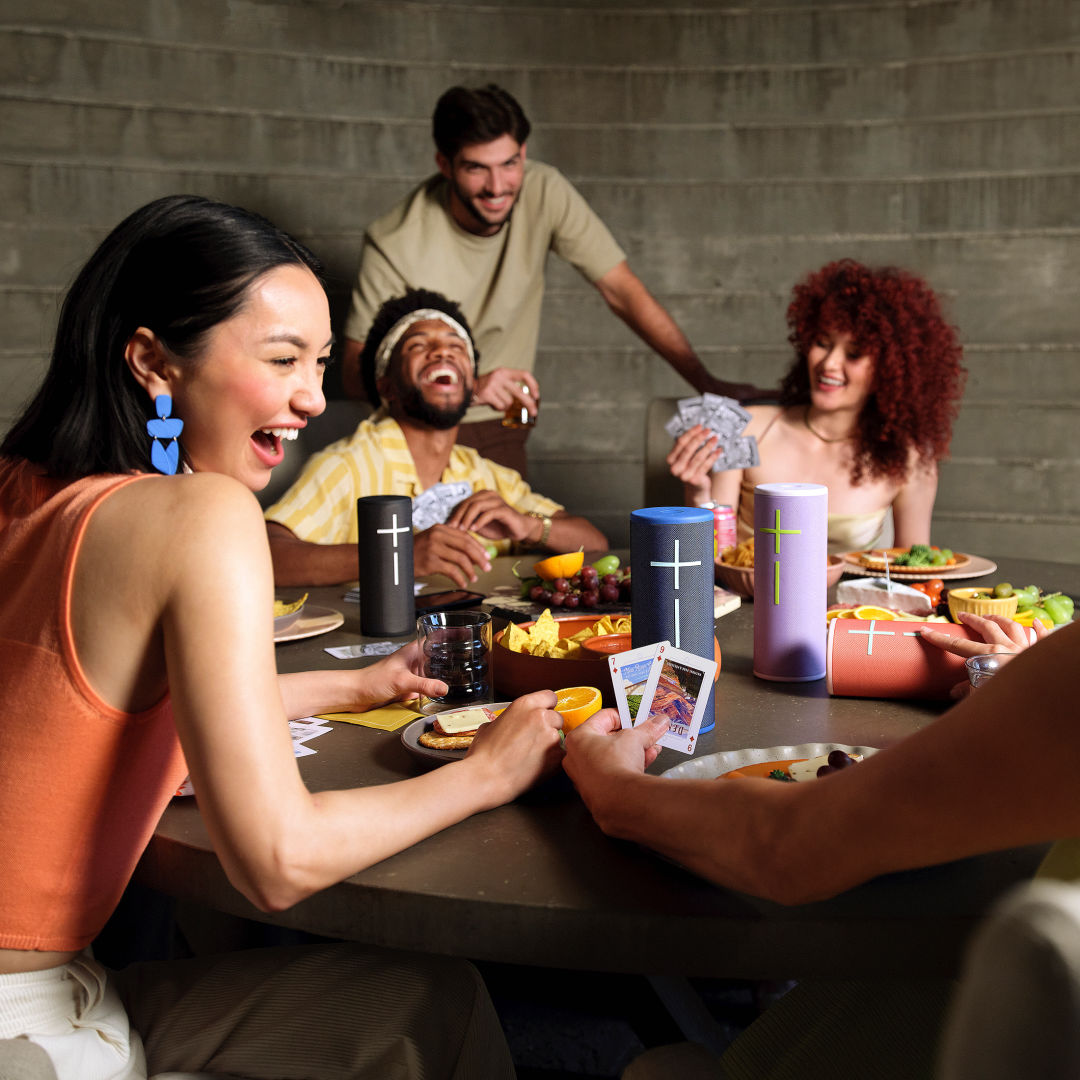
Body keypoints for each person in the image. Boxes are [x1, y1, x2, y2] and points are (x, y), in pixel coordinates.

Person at [0, 194, 566, 1079]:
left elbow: (81, 710)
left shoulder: (22, 484)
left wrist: (356, 685)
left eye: (321, 361)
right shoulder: (202, 513)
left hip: (65, 983)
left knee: (432, 1004)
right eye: (281, 359)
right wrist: (487, 773)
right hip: (29, 1025)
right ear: (153, 361)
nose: (312, 397)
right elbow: (278, 860)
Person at [339, 83, 767, 475]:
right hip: (414, 426)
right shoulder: (394, 240)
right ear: (444, 165)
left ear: (523, 153)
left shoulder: (544, 191)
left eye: (509, 164)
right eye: (476, 168)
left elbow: (622, 291)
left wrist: (706, 383)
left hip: (502, 422)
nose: (497, 187)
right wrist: (471, 386)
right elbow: (354, 376)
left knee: (518, 530)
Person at [265, 287, 608, 588]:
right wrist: (398, 556)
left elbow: (594, 543)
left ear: (473, 384)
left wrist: (527, 526)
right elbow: (269, 555)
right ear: (386, 385)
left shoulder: (484, 474)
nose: (443, 352)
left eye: (456, 346)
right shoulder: (346, 465)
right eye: (418, 345)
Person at [667, 259, 966, 553]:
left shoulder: (910, 460)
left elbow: (915, 570)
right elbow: (712, 558)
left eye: (854, 353)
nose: (829, 363)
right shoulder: (746, 428)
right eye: (822, 343)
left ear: (890, 370)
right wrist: (698, 496)